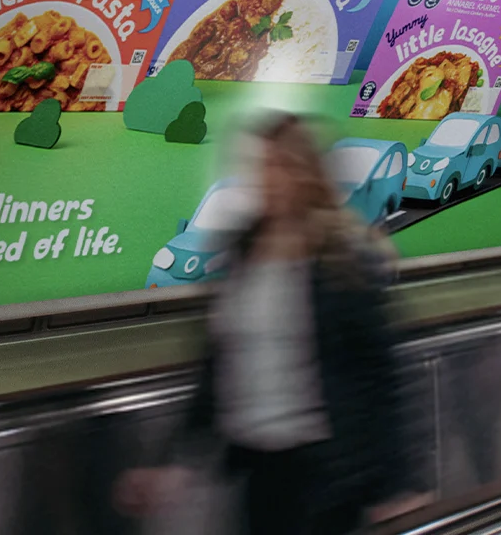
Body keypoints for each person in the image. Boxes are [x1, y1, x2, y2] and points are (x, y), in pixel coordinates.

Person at [116, 113, 430, 533]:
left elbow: (380, 374)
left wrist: (397, 483)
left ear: (304, 174)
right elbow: (218, 366)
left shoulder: (342, 258)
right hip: (256, 471)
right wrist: (173, 461)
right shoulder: (243, 250)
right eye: (258, 166)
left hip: (326, 476)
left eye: (276, 166)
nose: (264, 178)